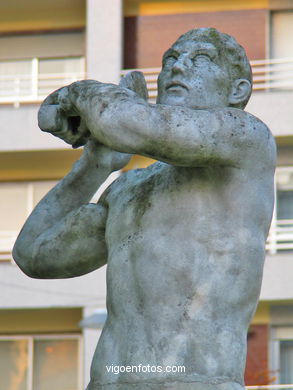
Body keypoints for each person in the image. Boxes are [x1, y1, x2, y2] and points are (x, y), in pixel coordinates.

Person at [13, 28, 276, 390]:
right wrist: (95, 164)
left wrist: (77, 92)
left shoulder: (246, 138)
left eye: (200, 60)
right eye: (170, 59)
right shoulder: (130, 188)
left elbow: (129, 123)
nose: (178, 67)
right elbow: (33, 255)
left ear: (238, 91)